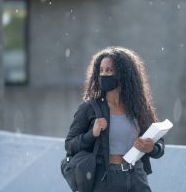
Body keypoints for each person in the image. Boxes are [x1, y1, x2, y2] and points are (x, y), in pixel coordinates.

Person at [65, 46, 165, 192]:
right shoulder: (90, 108)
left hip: (136, 176)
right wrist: (91, 134)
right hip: (106, 178)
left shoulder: (138, 107)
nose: (104, 75)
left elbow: (159, 144)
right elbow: (69, 145)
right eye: (101, 70)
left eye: (109, 70)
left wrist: (152, 148)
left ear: (123, 74)